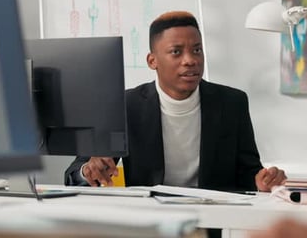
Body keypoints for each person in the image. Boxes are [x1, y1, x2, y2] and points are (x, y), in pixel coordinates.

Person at [65, 10, 286, 192]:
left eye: (197, 50)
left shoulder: (231, 103)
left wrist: (262, 180)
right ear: (153, 61)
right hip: (151, 222)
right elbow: (74, 172)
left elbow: (248, 172)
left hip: (214, 219)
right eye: (176, 52)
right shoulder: (126, 106)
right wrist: (89, 170)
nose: (190, 60)